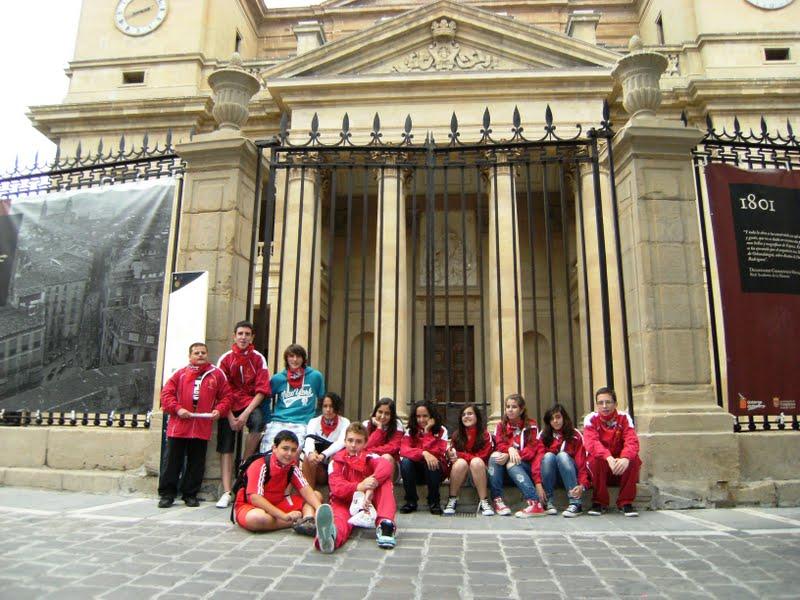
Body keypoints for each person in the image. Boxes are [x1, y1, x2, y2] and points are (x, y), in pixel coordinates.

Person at [158, 342, 231, 508]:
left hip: (201, 426)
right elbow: (166, 395)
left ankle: (190, 494)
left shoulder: (216, 374)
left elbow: (227, 397)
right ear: (190, 356)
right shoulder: (180, 374)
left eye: (203, 353)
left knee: (196, 462)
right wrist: (177, 409)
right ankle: (167, 494)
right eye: (196, 353)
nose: (200, 355)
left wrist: (219, 410)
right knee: (172, 462)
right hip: (179, 426)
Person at [314, 422, 398, 553]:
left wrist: (373, 482)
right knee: (340, 520)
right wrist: (360, 486)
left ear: (365, 444)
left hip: (367, 503)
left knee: (385, 482)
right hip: (343, 502)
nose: (353, 445)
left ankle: (386, 524)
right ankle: (330, 536)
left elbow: (386, 465)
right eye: (350, 440)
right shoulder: (335, 462)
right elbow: (337, 488)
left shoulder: (370, 457)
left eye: (358, 442)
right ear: (345, 441)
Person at [215, 320, 271, 509]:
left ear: (252, 337)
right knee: (226, 445)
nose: (243, 337)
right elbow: (219, 390)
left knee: (258, 423)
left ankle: (244, 465)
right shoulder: (225, 359)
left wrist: (245, 414)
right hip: (228, 405)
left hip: (249, 403)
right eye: (240, 333)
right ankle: (226, 490)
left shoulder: (258, 358)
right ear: (234, 335)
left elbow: (262, 390)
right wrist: (230, 415)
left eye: (247, 334)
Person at [233, 429, 324, 532]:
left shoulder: (292, 467)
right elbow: (255, 498)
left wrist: (320, 509)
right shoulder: (260, 465)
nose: (289, 454)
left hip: (278, 504)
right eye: (285, 449)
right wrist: (283, 516)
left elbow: (306, 489)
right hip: (252, 507)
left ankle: (308, 521)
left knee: (316, 495)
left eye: (293, 450)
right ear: (274, 448)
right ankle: (296, 522)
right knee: (256, 518)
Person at [583, 387, 642, 517]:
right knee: (594, 460)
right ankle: (599, 502)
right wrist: (608, 457)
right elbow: (591, 443)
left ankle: (625, 502)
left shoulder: (624, 418)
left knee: (634, 459)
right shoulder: (591, 419)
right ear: (596, 405)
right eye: (600, 403)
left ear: (615, 404)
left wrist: (625, 458)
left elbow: (631, 440)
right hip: (603, 465)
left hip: (620, 466)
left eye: (608, 402)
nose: (604, 406)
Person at [488, 393, 546, 518]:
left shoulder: (531, 425)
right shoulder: (500, 426)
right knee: (495, 457)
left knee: (511, 462)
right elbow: (499, 444)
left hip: (524, 469)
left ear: (521, 409)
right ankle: (497, 500)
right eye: (507, 406)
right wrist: (509, 449)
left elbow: (531, 450)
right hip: (504, 471)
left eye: (514, 407)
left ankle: (534, 502)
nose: (510, 409)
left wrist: (512, 454)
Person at [261, 344, 326, 453]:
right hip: (279, 421)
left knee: (295, 451)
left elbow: (322, 399)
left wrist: (315, 419)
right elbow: (265, 400)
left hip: (303, 422)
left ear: (303, 359)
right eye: (291, 356)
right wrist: (268, 420)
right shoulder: (278, 378)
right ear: (286, 358)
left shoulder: (315, 376)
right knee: (269, 450)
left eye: (298, 356)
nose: (295, 360)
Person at [532, 403, 589, 518]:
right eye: (552, 419)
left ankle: (575, 503)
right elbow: (537, 460)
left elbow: (582, 462)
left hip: (570, 476)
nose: (555, 421)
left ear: (564, 417)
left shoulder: (575, 435)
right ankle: (548, 501)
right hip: (550, 477)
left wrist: (583, 485)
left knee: (562, 456)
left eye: (558, 417)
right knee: (548, 456)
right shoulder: (543, 435)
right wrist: (538, 483)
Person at [399, 400, 448, 515]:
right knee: (406, 462)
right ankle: (411, 501)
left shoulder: (441, 430)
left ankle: (434, 502)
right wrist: (423, 454)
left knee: (432, 461)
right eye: (418, 416)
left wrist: (426, 432)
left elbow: (438, 453)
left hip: (435, 471)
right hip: (416, 472)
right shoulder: (410, 432)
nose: (421, 420)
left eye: (425, 416)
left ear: (432, 416)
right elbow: (404, 450)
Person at [443, 403, 494, 516]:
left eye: (470, 413)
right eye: (464, 415)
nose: (466, 416)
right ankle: (452, 499)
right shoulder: (457, 435)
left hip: (480, 472)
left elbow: (483, 456)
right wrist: (451, 454)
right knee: (460, 463)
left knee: (476, 462)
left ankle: (484, 501)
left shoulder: (485, 435)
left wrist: (461, 455)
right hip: (461, 474)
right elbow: (453, 455)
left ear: (477, 417)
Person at [302, 392, 350, 488]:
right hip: (319, 468)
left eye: (331, 406)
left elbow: (341, 442)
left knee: (336, 454)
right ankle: (310, 494)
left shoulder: (345, 422)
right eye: (325, 406)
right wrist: (311, 453)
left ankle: (334, 495)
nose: (328, 410)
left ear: (336, 407)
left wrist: (324, 455)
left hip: (337, 466)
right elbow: (309, 440)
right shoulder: (313, 422)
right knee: (308, 457)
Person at [364, 397, 405, 467]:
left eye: (387, 413)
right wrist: (379, 429)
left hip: (391, 462)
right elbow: (366, 445)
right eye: (380, 412)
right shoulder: (366, 424)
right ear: (375, 412)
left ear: (392, 416)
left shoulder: (397, 425)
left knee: (386, 457)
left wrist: (370, 450)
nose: (382, 416)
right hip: (370, 460)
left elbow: (393, 447)